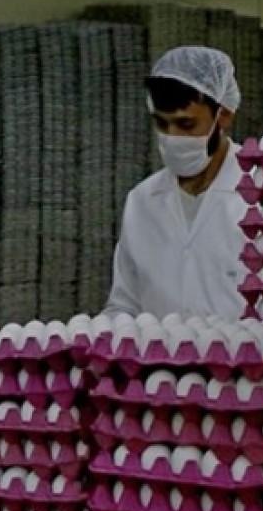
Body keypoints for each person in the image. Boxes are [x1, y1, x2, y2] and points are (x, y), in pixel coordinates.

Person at [104, 46, 248, 320]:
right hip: (159, 349)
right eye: (162, 124)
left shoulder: (261, 196)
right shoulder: (142, 202)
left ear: (225, 115)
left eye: (186, 125)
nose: (172, 137)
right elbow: (124, 303)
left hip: (243, 348)